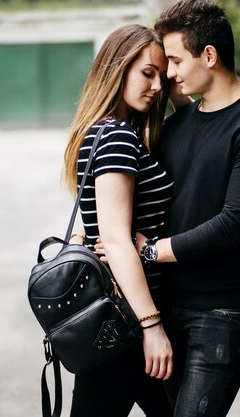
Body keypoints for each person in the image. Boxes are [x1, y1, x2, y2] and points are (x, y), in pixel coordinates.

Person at [134, 1, 240, 416]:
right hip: (167, 305)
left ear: (210, 55)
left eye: (176, 60)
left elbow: (236, 225)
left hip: (222, 312)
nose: (170, 73)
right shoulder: (178, 124)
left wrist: (152, 251)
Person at [61, 24, 175, 417]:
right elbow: (115, 239)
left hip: (115, 321)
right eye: (148, 73)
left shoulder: (99, 132)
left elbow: (98, 224)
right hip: (126, 324)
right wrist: (151, 326)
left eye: (162, 75)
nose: (158, 85)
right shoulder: (116, 137)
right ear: (117, 68)